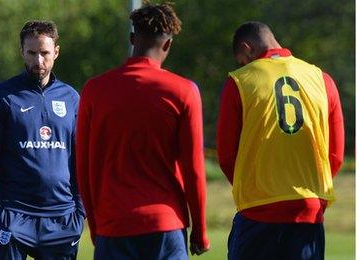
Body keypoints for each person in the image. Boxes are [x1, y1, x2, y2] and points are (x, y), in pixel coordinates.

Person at [76, 3, 210, 259]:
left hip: (114, 225)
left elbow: (85, 167)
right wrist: (200, 230)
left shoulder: (95, 90)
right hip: (165, 224)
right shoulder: (183, 91)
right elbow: (194, 169)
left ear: (131, 39)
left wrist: (96, 226)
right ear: (168, 45)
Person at [217, 21, 344, 259]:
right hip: (308, 210)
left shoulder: (239, 81)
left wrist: (253, 184)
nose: (243, 65)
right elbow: (335, 156)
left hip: (258, 211)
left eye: (242, 60)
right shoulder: (321, 79)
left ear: (246, 49)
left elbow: (226, 156)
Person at [0, 20, 84, 260]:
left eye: (45, 53)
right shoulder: (2, 97)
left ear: (56, 52)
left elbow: (81, 158)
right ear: (22, 52)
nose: (38, 61)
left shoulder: (71, 98)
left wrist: (80, 212)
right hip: (15, 214)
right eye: (32, 53)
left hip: (62, 217)